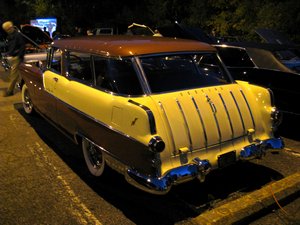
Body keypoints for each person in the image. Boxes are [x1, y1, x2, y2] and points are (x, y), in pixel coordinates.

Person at [2, 21, 25, 97]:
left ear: (10, 27)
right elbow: (12, 47)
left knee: (14, 75)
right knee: (16, 74)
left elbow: (22, 46)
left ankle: (10, 91)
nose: (7, 31)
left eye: (8, 29)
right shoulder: (11, 36)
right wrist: (8, 53)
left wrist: (19, 56)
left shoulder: (17, 35)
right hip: (14, 57)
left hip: (17, 57)